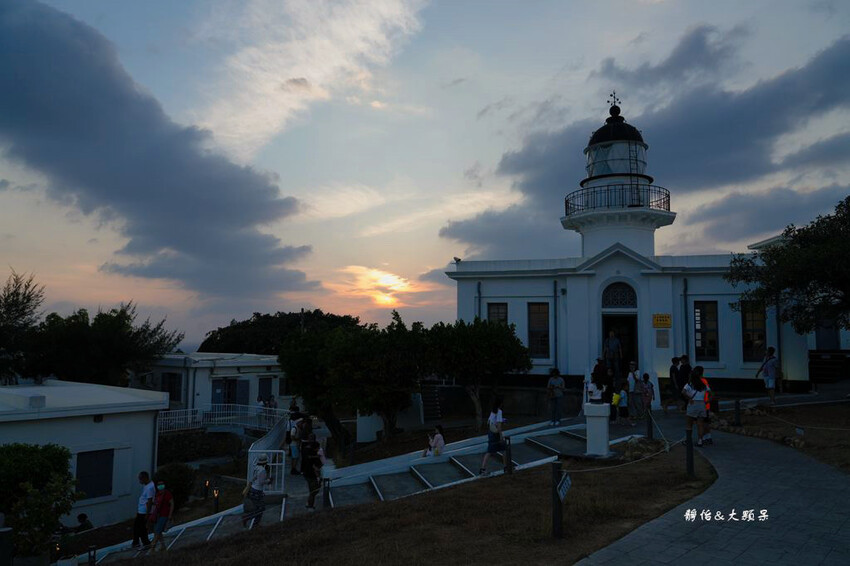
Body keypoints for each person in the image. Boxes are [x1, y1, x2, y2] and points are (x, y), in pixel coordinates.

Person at [242, 453, 271, 527]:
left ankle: (253, 522)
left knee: (258, 508)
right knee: (261, 509)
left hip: (252, 489)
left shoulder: (256, 468)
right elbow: (261, 482)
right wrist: (268, 481)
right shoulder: (262, 470)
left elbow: (253, 478)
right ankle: (250, 521)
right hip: (257, 491)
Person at [480, 399, 507, 475]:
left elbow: (489, 422)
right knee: (503, 449)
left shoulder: (493, 411)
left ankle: (483, 469)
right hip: (496, 434)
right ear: (501, 404)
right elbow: (499, 425)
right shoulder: (499, 411)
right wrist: (501, 436)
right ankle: (505, 467)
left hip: (491, 433)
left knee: (491, 451)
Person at [682, 367, 708, 447]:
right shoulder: (703, 384)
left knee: (689, 424)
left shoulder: (689, 384)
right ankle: (700, 440)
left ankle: (688, 440)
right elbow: (711, 393)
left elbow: (683, 392)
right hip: (702, 404)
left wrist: (689, 398)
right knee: (700, 424)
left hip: (693, 403)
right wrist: (707, 401)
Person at [148, 479, 173, 552]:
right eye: (159, 484)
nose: (160, 486)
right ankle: (163, 546)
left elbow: (172, 503)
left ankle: (152, 547)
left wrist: (170, 515)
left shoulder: (167, 493)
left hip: (164, 514)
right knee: (157, 531)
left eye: (162, 484)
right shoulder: (157, 494)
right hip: (157, 515)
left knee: (157, 530)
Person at [132, 471, 155, 548]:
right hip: (141, 510)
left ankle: (145, 542)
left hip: (144, 511)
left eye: (140, 479)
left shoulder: (150, 488)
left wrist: (147, 514)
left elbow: (149, 501)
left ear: (145, 478)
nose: (140, 481)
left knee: (141, 528)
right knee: (137, 527)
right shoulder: (147, 486)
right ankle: (136, 542)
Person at [301, 433, 324, 511]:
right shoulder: (310, 449)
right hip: (311, 472)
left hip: (307, 472)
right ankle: (310, 505)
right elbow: (314, 461)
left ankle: (309, 504)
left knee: (313, 490)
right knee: (314, 490)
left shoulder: (305, 448)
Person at [699, 370, 713, 446]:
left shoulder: (698, 382)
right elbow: (710, 393)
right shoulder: (704, 380)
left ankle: (703, 438)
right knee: (706, 422)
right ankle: (708, 437)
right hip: (706, 405)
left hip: (702, 405)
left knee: (701, 423)